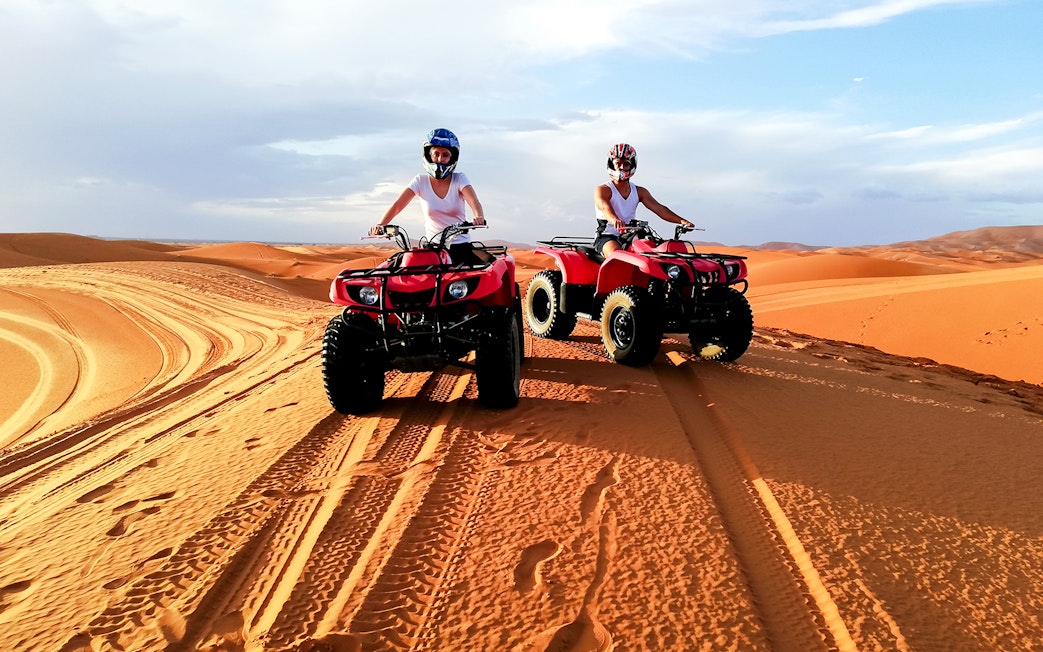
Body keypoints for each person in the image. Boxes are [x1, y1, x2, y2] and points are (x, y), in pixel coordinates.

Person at [371, 128, 486, 263]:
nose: (439, 159)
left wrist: (479, 216)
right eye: (436, 154)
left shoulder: (459, 179)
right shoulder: (420, 181)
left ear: (452, 157)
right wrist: (381, 225)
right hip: (432, 248)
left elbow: (474, 201)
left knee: (476, 278)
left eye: (445, 155)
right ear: (428, 155)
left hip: (460, 247)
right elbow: (398, 205)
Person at [593, 143, 693, 256]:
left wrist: (682, 221)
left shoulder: (639, 191)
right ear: (611, 164)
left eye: (626, 164)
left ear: (632, 165)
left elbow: (659, 209)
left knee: (654, 252)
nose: (621, 167)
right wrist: (615, 220)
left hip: (630, 235)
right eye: (618, 163)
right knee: (617, 255)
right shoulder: (603, 190)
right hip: (607, 236)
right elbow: (605, 207)